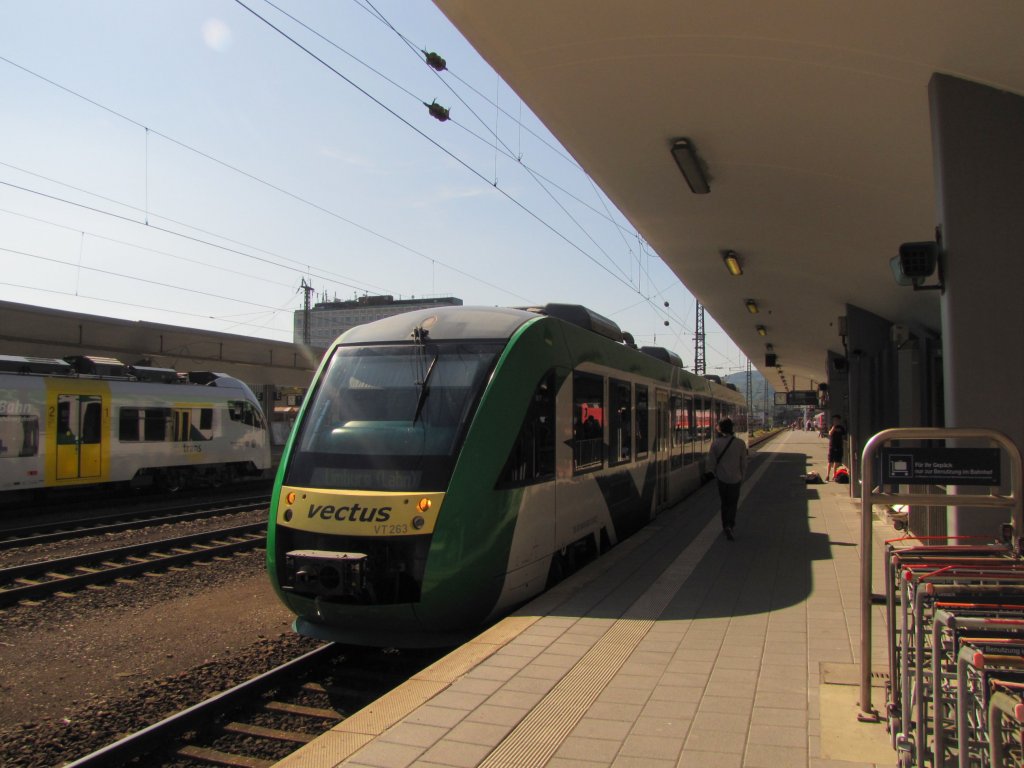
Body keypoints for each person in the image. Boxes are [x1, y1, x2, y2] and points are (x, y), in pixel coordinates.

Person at [705, 417, 748, 541]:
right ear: (732, 428)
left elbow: (711, 462)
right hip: (736, 478)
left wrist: (711, 473)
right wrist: (742, 476)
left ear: (720, 428)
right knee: (733, 503)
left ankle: (725, 525)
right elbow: (743, 462)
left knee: (724, 503)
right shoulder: (740, 443)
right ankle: (730, 524)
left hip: (722, 479)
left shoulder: (716, 443)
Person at [826, 415, 847, 481]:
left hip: (839, 446)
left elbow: (844, 435)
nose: (835, 421)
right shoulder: (831, 426)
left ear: (839, 420)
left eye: (836, 420)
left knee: (836, 461)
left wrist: (839, 430)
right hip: (832, 446)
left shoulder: (841, 428)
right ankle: (827, 475)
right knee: (830, 461)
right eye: (834, 420)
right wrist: (833, 428)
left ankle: (834, 475)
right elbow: (830, 433)